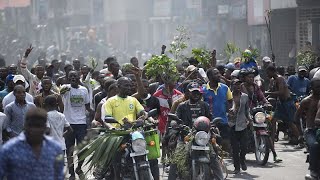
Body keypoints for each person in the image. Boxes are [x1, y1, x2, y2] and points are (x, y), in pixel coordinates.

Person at [0, 108, 64, 180]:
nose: (34, 130)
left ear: (45, 127)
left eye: (38, 126)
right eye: (31, 125)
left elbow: (59, 175)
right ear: (25, 126)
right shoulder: (9, 149)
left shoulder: (55, 148)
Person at [60, 70, 93, 179]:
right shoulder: (66, 88)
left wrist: (92, 115)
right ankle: (71, 172)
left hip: (81, 123)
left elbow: (87, 106)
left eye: (75, 75)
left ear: (79, 77)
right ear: (68, 78)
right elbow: (61, 92)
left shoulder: (84, 90)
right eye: (71, 76)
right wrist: (65, 88)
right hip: (69, 124)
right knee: (70, 149)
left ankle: (79, 167)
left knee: (82, 149)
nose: (73, 77)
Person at [265, 65, 300, 144]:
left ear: (272, 72)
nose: (267, 74)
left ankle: (300, 139)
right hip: (281, 103)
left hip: (287, 103)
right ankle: (272, 139)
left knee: (290, 122)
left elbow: (281, 92)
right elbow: (270, 91)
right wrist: (264, 96)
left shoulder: (280, 79)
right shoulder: (273, 80)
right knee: (273, 120)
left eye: (268, 73)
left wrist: (268, 93)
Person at [203, 67, 233, 152]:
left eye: (218, 73)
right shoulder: (204, 90)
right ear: (209, 76)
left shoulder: (225, 88)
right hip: (209, 122)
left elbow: (230, 101)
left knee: (225, 144)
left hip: (223, 120)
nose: (219, 75)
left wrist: (231, 110)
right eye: (216, 74)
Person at [296, 78, 320, 179]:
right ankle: (313, 170)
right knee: (315, 146)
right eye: (317, 87)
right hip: (311, 130)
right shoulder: (306, 101)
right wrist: (300, 134)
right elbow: (296, 117)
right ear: (312, 87)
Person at [228, 79, 250, 174]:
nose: (237, 86)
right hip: (231, 125)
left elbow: (246, 110)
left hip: (242, 124)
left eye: (239, 84)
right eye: (235, 84)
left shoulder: (245, 97)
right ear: (232, 86)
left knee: (244, 146)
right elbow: (225, 108)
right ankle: (237, 167)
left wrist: (249, 119)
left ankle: (242, 160)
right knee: (235, 148)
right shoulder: (228, 96)